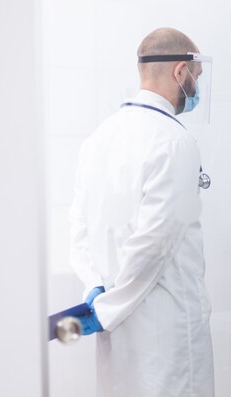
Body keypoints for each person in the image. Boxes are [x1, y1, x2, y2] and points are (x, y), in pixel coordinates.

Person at [69, 27, 214, 397]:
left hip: (114, 318)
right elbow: (157, 240)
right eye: (196, 78)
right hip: (164, 324)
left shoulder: (99, 136)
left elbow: (80, 225)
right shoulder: (174, 140)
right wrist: (110, 308)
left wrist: (96, 291)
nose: (195, 88)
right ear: (180, 72)